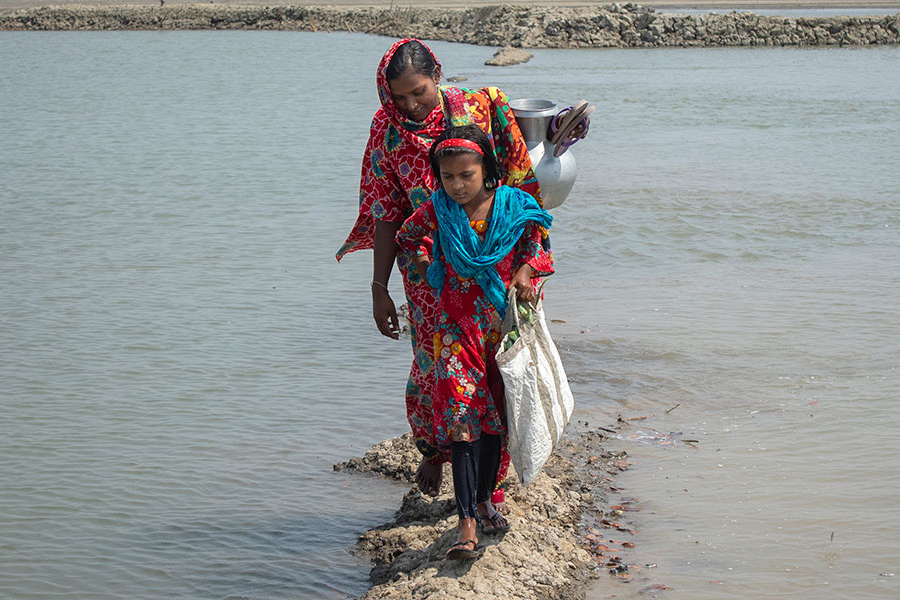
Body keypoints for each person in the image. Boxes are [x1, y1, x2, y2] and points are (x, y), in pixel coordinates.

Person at [336, 39, 546, 503]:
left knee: (500, 369)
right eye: (399, 97)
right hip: (429, 272)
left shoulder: (482, 107)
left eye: (420, 92)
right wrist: (379, 288)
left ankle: (487, 484)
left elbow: (523, 187)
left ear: (438, 74)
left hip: (496, 263)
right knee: (436, 366)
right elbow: (385, 211)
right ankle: (434, 449)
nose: (410, 106)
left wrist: (532, 264)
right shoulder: (386, 131)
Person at [396, 125, 553, 559]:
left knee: (494, 420)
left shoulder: (513, 204)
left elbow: (537, 242)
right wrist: (430, 262)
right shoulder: (437, 210)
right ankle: (466, 521)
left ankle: (486, 499)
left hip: (499, 332)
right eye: (448, 177)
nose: (458, 185)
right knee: (463, 421)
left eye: (466, 175)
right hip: (454, 331)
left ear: (487, 169)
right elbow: (408, 239)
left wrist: (524, 273)